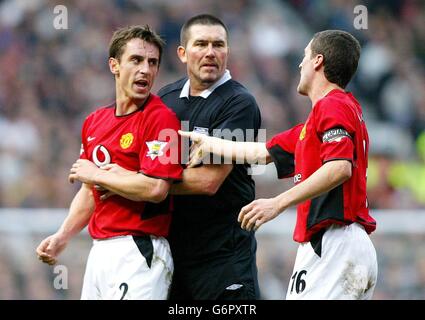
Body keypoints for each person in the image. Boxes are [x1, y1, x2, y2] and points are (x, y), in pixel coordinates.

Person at [180, 30, 378, 300]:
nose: (300, 64)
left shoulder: (333, 105)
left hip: (335, 241)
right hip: (344, 245)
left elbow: (339, 167)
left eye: (305, 56)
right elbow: (262, 152)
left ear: (318, 61)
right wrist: (209, 143)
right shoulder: (326, 117)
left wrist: (277, 203)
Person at [94, 14, 262, 300]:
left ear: (227, 52)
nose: (210, 52)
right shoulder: (166, 99)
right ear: (183, 53)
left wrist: (140, 182)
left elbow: (208, 181)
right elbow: (141, 159)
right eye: (201, 44)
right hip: (174, 256)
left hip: (223, 259)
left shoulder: (239, 103)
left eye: (218, 45)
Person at [35, 25, 183, 300]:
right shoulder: (94, 122)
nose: (146, 70)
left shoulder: (161, 119)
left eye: (152, 63)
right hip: (100, 253)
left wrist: (100, 175)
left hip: (139, 250)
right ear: (114, 65)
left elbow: (156, 189)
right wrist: (62, 236)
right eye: (136, 60)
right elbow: (88, 192)